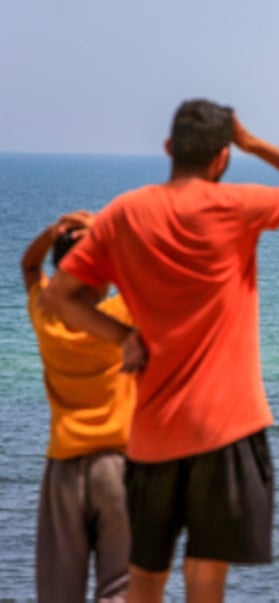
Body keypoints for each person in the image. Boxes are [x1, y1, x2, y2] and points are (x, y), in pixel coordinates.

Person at [41, 99, 279, 602]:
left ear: (168, 148)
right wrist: (255, 144)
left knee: (145, 580)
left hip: (152, 433)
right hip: (226, 425)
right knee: (206, 579)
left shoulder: (124, 213)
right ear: (221, 158)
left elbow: (58, 296)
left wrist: (123, 338)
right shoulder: (237, 206)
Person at [22, 211, 135, 602]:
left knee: (58, 591)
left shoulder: (48, 317)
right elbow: (145, 273)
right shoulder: (121, 315)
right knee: (120, 587)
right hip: (120, 465)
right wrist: (106, 236)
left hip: (64, 466)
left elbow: (30, 264)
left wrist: (54, 232)